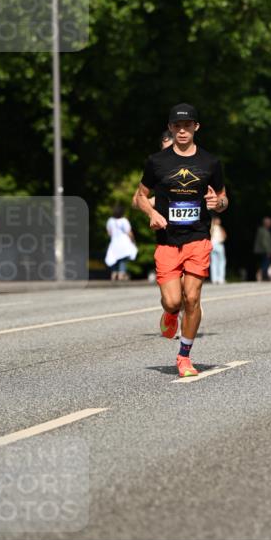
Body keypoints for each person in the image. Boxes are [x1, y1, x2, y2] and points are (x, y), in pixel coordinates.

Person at [133, 103, 228, 376]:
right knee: (173, 301)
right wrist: (151, 212)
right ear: (171, 128)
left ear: (196, 127)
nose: (182, 131)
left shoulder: (210, 162)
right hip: (167, 241)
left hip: (198, 237)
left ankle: (184, 356)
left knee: (192, 298)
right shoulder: (157, 162)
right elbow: (139, 196)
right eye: (177, 126)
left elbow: (223, 199)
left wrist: (217, 202)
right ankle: (170, 315)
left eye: (188, 126)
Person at [105, 204, 137, 281]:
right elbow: (129, 232)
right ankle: (121, 274)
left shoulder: (110, 221)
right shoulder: (124, 220)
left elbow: (109, 233)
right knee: (123, 259)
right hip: (124, 242)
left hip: (114, 242)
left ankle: (114, 274)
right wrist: (133, 241)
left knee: (114, 258)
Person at [253, 217, 271, 282]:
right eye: (269, 222)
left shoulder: (263, 230)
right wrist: (268, 251)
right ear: (266, 223)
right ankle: (260, 274)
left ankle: (264, 277)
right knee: (265, 263)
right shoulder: (264, 231)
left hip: (261, 250)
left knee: (264, 263)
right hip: (264, 250)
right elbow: (264, 242)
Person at [210, 216, 227, 284]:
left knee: (214, 262)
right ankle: (221, 279)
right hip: (218, 245)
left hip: (212, 245)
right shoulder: (219, 228)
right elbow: (224, 235)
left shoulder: (211, 228)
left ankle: (214, 279)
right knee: (221, 262)